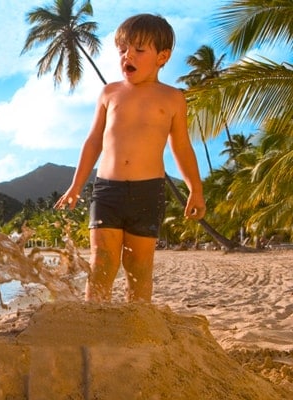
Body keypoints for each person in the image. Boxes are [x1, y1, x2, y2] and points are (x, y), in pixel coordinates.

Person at [54, 14, 206, 303]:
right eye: (123, 50)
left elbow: (182, 148)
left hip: (147, 191)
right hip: (107, 189)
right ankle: (94, 324)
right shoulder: (109, 93)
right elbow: (93, 141)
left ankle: (136, 326)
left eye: (138, 50)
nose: (128, 56)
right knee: (102, 262)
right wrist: (75, 186)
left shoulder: (172, 98)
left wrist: (195, 189)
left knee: (138, 267)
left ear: (162, 56)